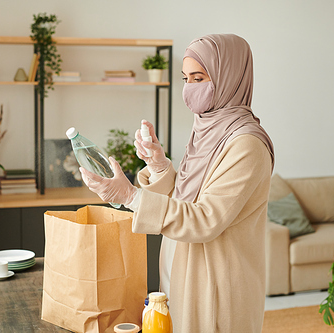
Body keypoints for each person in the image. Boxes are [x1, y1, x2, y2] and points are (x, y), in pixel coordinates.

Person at [80, 34, 275, 333]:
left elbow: (205, 219)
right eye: (185, 78)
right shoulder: (207, 128)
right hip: (180, 274)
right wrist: (159, 165)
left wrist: (131, 196)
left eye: (198, 78)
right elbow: (187, 198)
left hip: (215, 288)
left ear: (230, 77)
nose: (188, 89)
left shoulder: (246, 144)